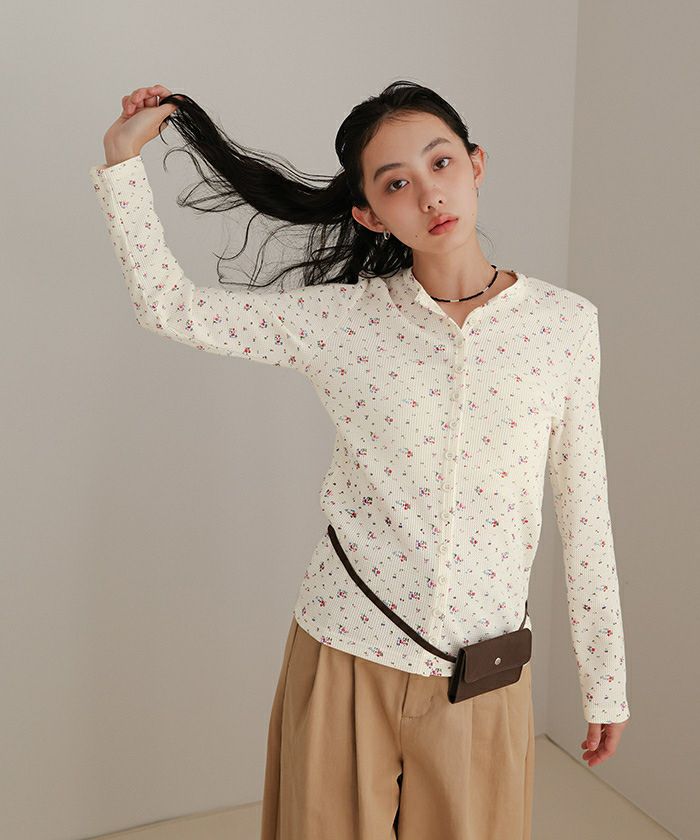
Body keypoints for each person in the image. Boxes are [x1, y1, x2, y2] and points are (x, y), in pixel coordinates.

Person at [90, 80, 630, 840]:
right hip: (346, 652)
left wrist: (605, 681)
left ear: (476, 164)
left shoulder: (565, 326)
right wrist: (121, 162)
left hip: (481, 673)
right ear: (370, 214)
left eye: (441, 163)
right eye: (396, 184)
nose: (430, 195)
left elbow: (585, 509)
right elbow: (172, 307)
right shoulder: (344, 320)